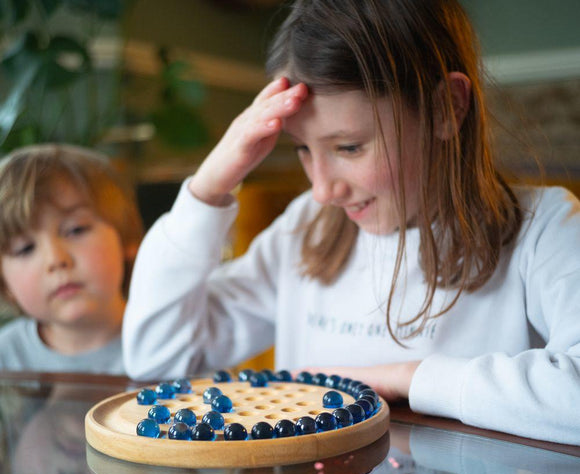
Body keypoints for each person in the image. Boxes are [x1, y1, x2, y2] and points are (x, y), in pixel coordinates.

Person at [123, 0, 580, 444]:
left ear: (447, 108)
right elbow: (158, 360)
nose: (323, 191)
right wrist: (207, 190)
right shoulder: (307, 227)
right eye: (303, 148)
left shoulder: (544, 230)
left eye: (348, 148)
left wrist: (407, 379)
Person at [0, 144, 143, 374]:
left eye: (76, 230)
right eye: (25, 248)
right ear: (5, 285)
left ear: (126, 238)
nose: (55, 259)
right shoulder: (5, 357)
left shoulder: (173, 343)